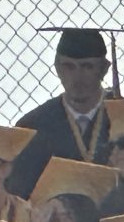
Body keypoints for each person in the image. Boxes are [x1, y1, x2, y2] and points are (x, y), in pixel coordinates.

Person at [8, 28, 114, 199]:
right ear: (57, 68)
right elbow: (20, 193)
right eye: (69, 67)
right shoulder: (33, 126)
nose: (78, 77)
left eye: (87, 67)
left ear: (104, 69)